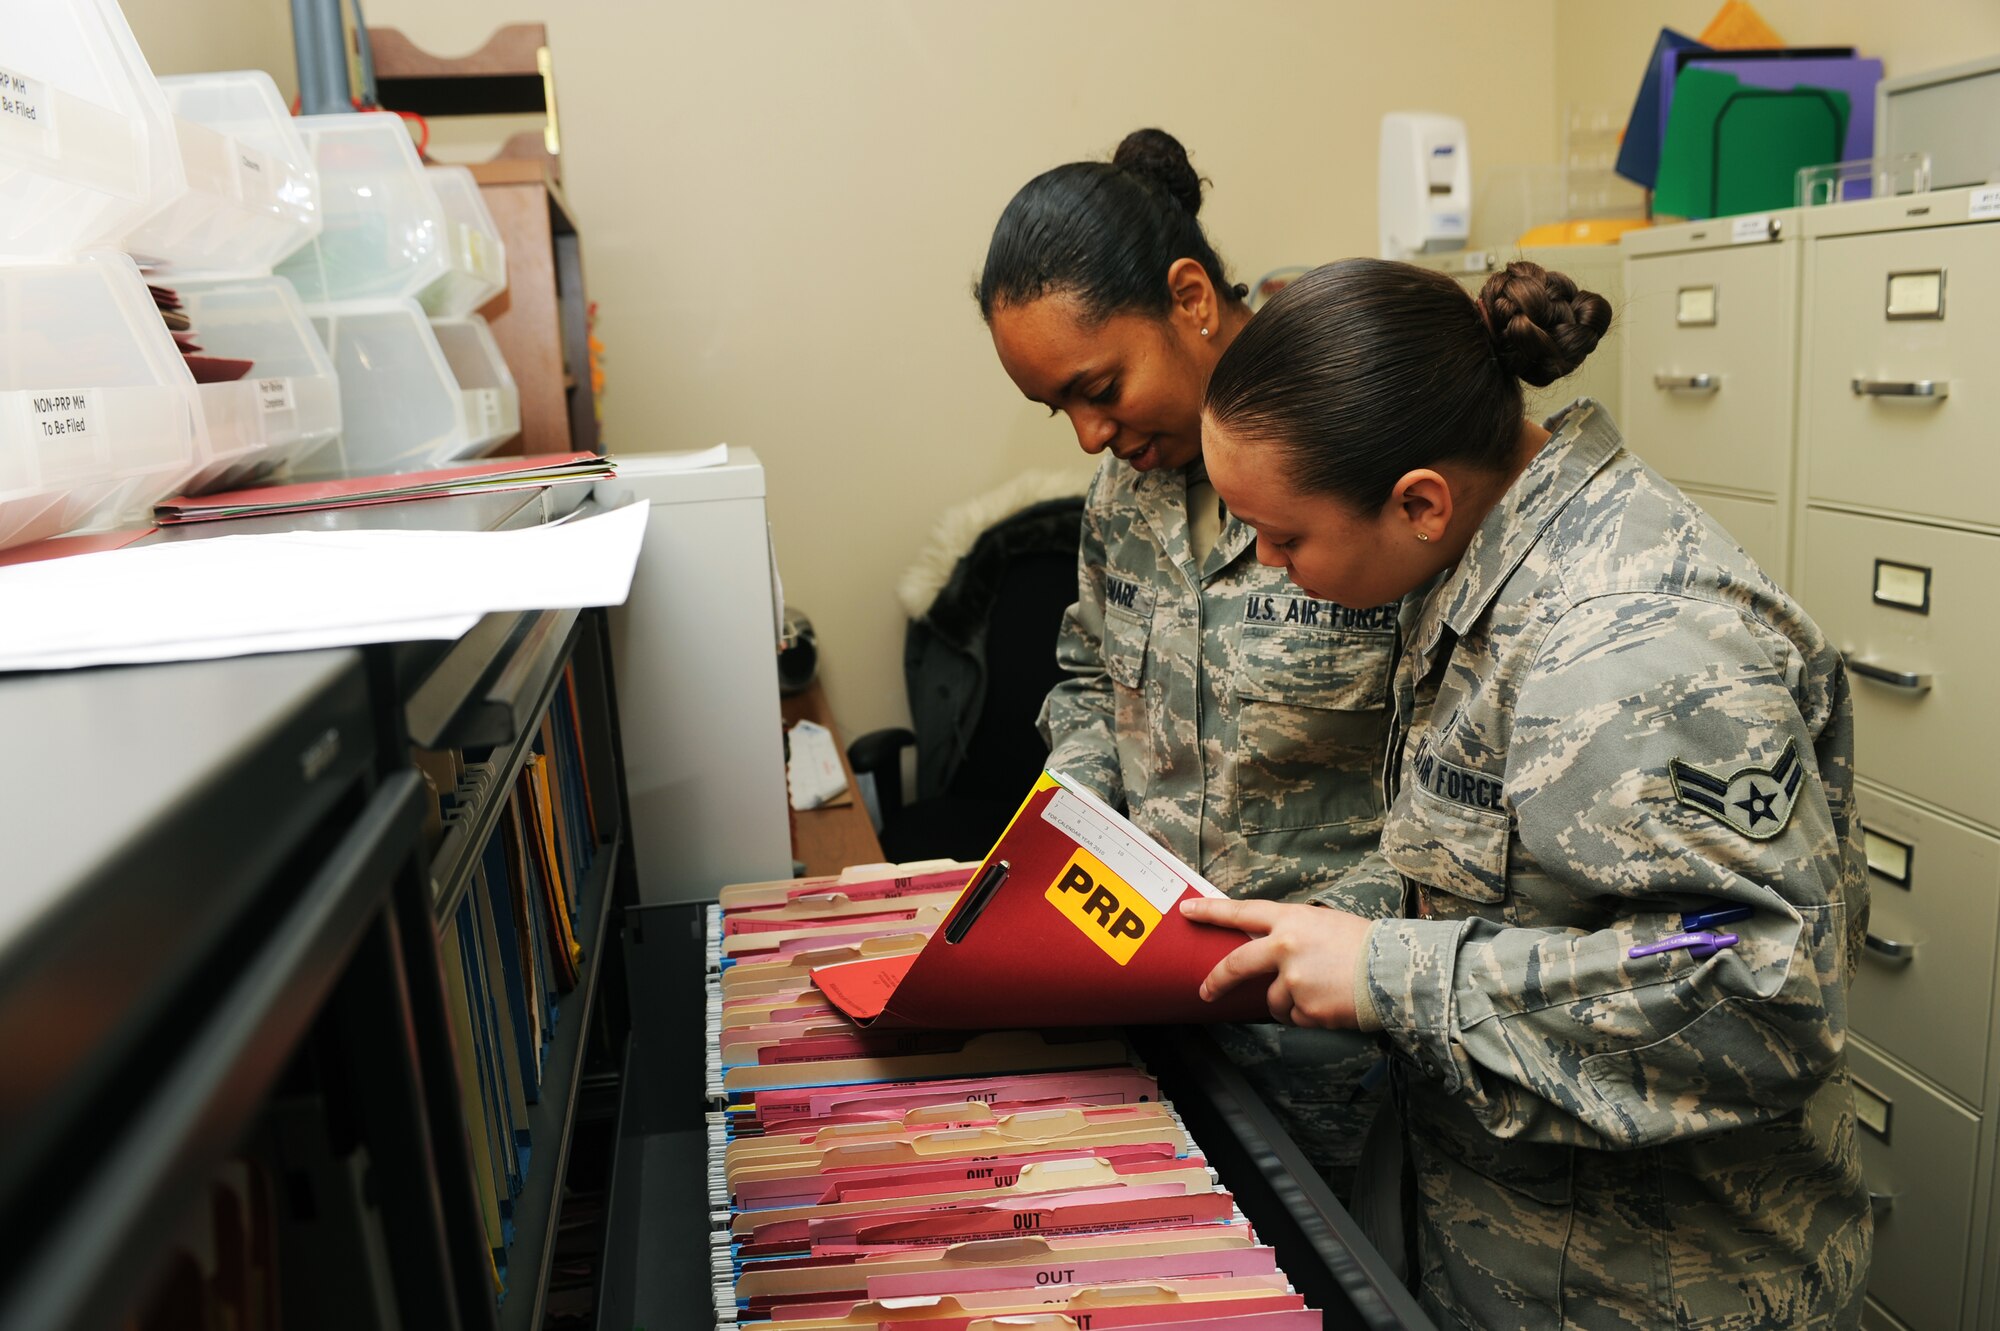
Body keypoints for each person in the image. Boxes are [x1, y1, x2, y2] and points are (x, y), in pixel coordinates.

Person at [1182, 256, 1873, 1328]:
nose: (1266, 568)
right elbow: (1520, 881)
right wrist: (1335, 928)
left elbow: (1759, 987)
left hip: (1653, 1285)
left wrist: (1384, 974)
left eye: (1284, 536)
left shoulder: (1625, 639)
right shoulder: (1481, 563)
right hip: (1516, 1248)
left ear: (1417, 501)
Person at [975, 130, 1400, 1196]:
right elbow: (1087, 670)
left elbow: (1476, 766)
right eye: (1055, 407)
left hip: (1357, 1055)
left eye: (1098, 385)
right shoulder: (1126, 487)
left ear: (1191, 299)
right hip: (1163, 1031)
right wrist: (1068, 818)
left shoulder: (1367, 451)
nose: (1083, 433)